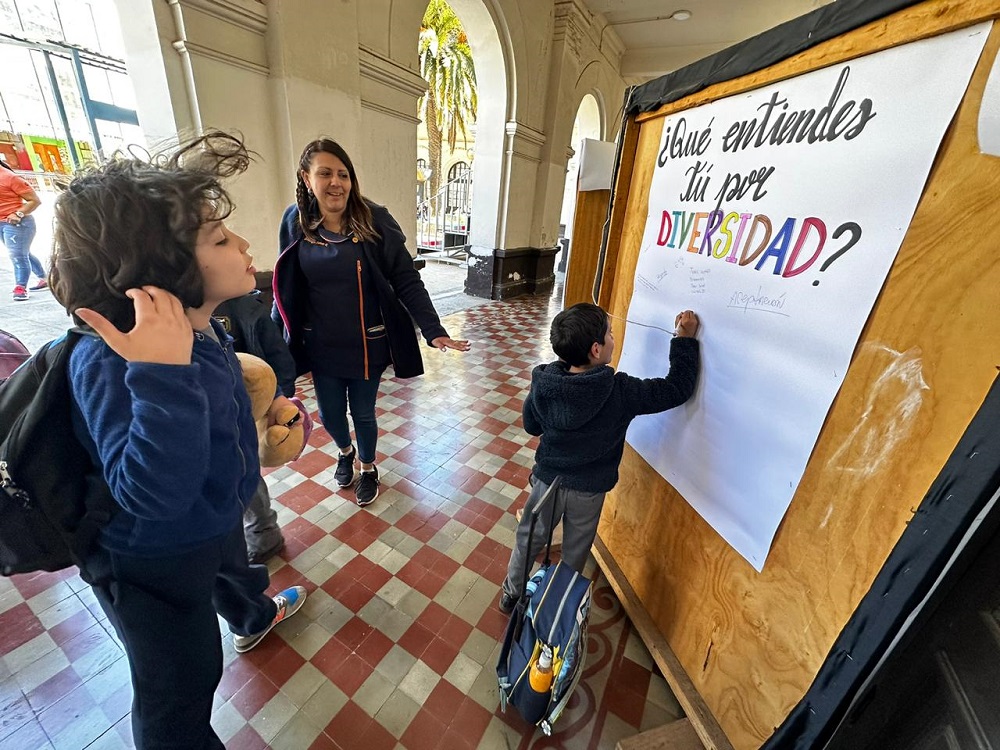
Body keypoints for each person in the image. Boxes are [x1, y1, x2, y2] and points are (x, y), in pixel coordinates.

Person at [48, 133, 307, 749]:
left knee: (232, 568)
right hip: (148, 562)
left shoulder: (203, 328)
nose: (243, 244)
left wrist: (263, 424)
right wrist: (160, 376)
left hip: (210, 519)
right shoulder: (111, 359)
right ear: (160, 272)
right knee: (180, 684)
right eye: (218, 239)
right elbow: (153, 494)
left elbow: (216, 414)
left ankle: (251, 615)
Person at [272, 138, 470, 507]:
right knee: (330, 414)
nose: (336, 182)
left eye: (343, 174)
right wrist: (273, 341)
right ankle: (344, 451)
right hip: (321, 343)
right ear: (306, 178)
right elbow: (284, 286)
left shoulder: (374, 219)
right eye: (325, 174)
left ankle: (367, 467)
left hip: (367, 342)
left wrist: (433, 329)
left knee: (362, 412)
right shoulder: (295, 222)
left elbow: (405, 278)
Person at [498, 302, 700, 614]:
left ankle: (511, 594)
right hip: (589, 491)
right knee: (575, 551)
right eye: (610, 334)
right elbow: (677, 389)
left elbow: (531, 425)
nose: (613, 338)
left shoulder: (545, 382)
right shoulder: (621, 391)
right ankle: (557, 611)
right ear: (596, 349)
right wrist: (684, 340)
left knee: (529, 538)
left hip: (546, 482)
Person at [213, 290, 295, 563]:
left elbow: (277, 355)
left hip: (243, 407)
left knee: (243, 468)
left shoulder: (246, 306)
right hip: (204, 413)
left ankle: (264, 532)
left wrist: (279, 396)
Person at [1, 159, 46, 300]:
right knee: (23, 253)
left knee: (17, 255)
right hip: (2, 223)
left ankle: (20, 287)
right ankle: (44, 278)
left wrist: (18, 214)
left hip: (16, 223)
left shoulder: (10, 178)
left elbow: (35, 200)